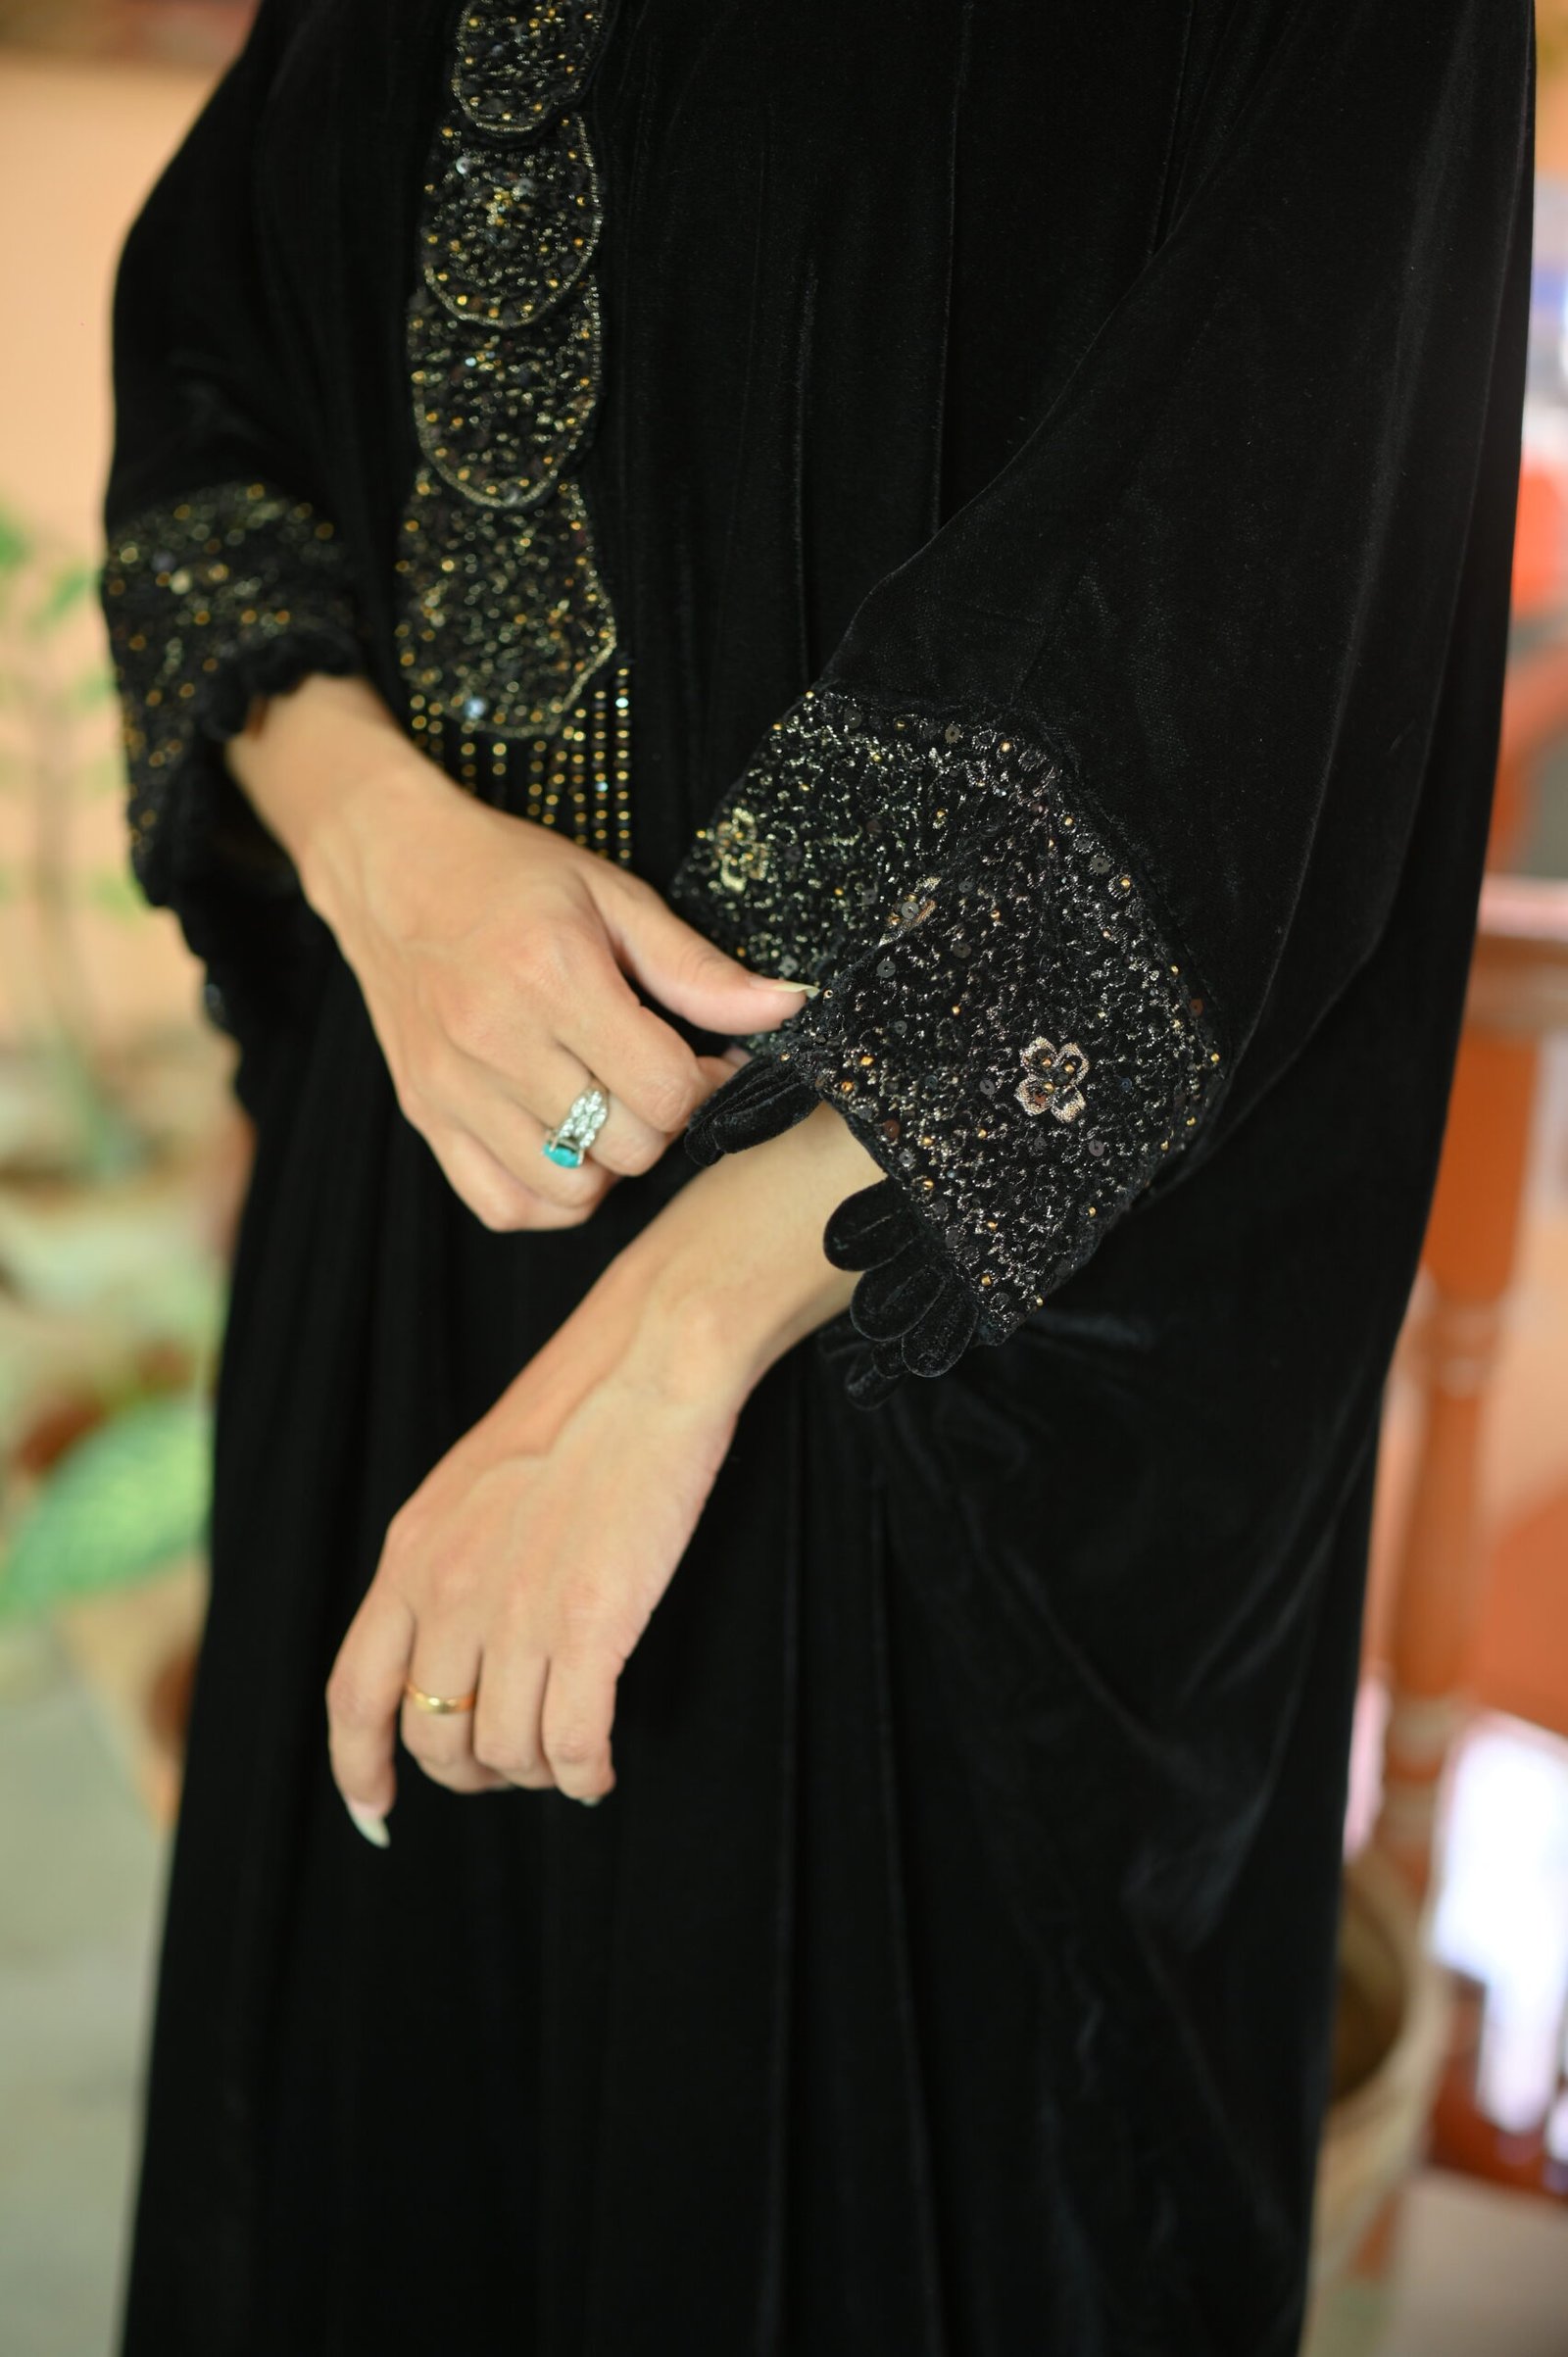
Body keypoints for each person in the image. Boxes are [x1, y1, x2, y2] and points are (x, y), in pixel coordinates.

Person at [101, 3, 1534, 2351]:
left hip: (923, 1371)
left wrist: (666, 1345)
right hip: (413, 1241)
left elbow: (1271, 579)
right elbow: (212, 384)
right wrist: (380, 850)